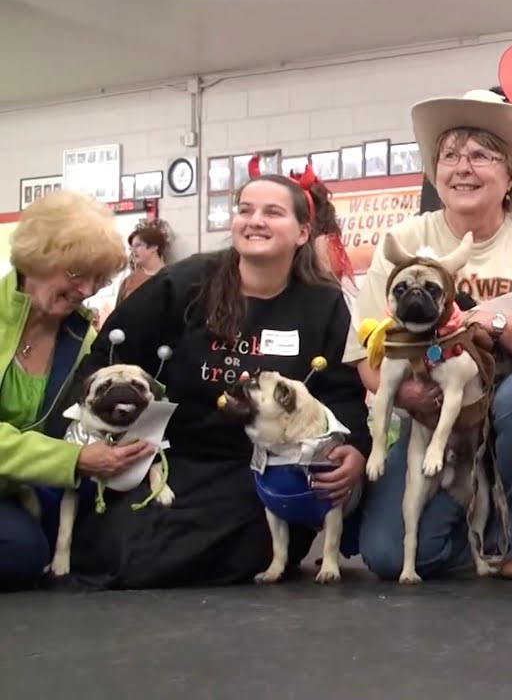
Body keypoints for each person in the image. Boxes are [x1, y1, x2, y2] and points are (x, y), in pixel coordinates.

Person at [61, 165, 371, 589]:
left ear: (302, 232)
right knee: (125, 554)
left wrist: (353, 448)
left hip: (261, 469)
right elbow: (109, 357)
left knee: (234, 544)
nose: (255, 220)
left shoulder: (324, 304)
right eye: (245, 210)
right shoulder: (183, 283)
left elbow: (342, 392)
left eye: (273, 212)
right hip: (173, 456)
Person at [345, 89, 512, 582]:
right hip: (431, 422)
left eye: (481, 155)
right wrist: (412, 392)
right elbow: (367, 357)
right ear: (435, 172)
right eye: (450, 155)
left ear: (510, 176)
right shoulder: (402, 244)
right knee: (388, 556)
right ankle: (468, 542)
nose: (462, 166)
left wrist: (497, 322)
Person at [0, 190, 144, 591]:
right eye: (76, 274)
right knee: (20, 554)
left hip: (24, 487)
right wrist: (75, 458)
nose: (86, 291)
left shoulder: (83, 338)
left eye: (98, 280)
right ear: (39, 258)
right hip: (32, 481)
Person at [117, 220, 171, 304]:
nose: (133, 251)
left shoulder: (173, 278)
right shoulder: (129, 282)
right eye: (132, 248)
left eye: (138, 245)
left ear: (154, 247)